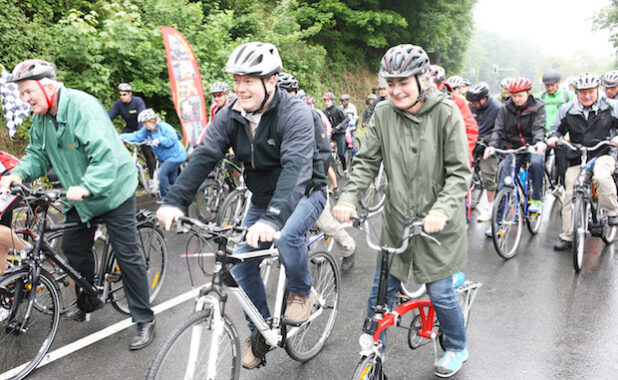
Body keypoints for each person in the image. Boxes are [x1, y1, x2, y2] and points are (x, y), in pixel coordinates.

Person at [156, 42, 327, 369]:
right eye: (237, 79)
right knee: (240, 262)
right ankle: (261, 331)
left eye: (249, 80)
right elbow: (206, 155)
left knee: (289, 236)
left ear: (271, 81)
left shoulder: (296, 113)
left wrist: (273, 219)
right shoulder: (230, 115)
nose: (240, 87)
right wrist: (175, 200)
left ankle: (301, 293)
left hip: (306, 192)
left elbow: (296, 169)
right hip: (263, 198)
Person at [333, 44, 472, 378]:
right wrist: (348, 197)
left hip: (438, 224)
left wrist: (441, 211)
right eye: (390, 83)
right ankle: (373, 342)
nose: (395, 91)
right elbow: (366, 162)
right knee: (383, 283)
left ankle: (456, 345)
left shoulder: (446, 112)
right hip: (397, 220)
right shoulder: (382, 113)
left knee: (439, 291)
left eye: (403, 83)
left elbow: (459, 173)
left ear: (423, 79)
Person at [1, 59, 155, 350]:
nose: (25, 99)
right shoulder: (41, 119)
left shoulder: (83, 108)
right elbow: (37, 154)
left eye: (28, 92)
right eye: (21, 94)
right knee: (72, 247)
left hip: (111, 190)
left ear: (48, 86)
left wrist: (86, 186)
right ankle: (88, 301)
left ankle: (144, 318)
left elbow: (105, 155)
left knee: (127, 253)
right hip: (77, 194)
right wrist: (18, 173)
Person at [277, 74, 356, 270]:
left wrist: (312, 181)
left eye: (289, 92)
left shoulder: (310, 115)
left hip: (313, 185)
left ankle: (349, 248)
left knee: (326, 224)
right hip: (288, 185)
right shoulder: (274, 119)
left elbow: (323, 152)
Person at [547, 72, 618, 250]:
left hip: (603, 152)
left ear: (597, 90)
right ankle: (568, 235)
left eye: (591, 92)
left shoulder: (610, 107)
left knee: (601, 177)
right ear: (577, 92)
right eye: (582, 92)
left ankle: (612, 212)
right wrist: (554, 138)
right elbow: (556, 129)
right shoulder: (568, 109)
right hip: (578, 155)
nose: (587, 96)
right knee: (570, 191)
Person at [484, 77, 546, 236]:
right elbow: (498, 130)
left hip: (533, 146)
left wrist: (539, 142)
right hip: (514, 148)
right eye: (514, 96)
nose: (517, 99)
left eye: (520, 95)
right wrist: (492, 146)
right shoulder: (505, 109)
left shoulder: (538, 107)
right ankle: (497, 224)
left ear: (528, 93)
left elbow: (539, 128)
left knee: (537, 163)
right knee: (504, 183)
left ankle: (537, 199)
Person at [120, 109, 187, 198]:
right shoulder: (146, 130)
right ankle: (186, 192)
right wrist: (119, 136)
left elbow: (173, 138)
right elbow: (135, 136)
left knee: (161, 174)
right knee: (172, 179)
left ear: (152, 120)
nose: (144, 125)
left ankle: (165, 199)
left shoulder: (163, 127)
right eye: (143, 123)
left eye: (146, 122)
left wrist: (160, 140)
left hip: (176, 156)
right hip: (165, 158)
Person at [466, 82, 501, 222]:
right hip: (473, 142)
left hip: (488, 145)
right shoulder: (470, 107)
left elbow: (499, 129)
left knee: (488, 176)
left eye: (475, 102)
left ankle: (489, 206)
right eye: (471, 102)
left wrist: (488, 142)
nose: (472, 105)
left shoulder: (498, 108)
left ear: (484, 99)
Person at [538, 69, 574, 197]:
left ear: (558, 83)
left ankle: (565, 191)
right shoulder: (541, 97)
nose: (550, 88)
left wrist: (569, 135)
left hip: (562, 135)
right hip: (545, 135)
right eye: (547, 85)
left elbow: (574, 115)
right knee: (537, 161)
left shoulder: (567, 96)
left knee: (564, 165)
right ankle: (542, 185)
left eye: (552, 85)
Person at [108, 83, 156, 178]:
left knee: (147, 152)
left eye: (124, 94)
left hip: (142, 128)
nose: (122, 97)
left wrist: (139, 134)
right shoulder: (119, 104)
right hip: (129, 128)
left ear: (130, 94)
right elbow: (110, 116)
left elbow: (143, 118)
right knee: (118, 143)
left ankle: (152, 176)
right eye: (120, 94)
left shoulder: (138, 101)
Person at [322, 92, 349, 174]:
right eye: (325, 101)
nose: (327, 103)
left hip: (340, 133)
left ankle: (345, 169)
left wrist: (339, 127)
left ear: (332, 101)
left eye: (328, 101)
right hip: (331, 133)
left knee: (341, 153)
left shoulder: (338, 110)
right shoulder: (324, 111)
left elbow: (346, 119)